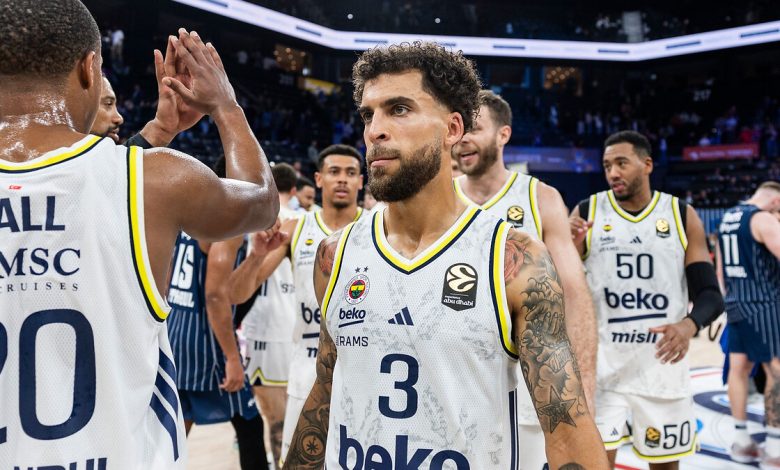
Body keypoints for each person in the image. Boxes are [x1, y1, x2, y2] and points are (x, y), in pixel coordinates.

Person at [284, 41, 607, 469]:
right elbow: (326, 388)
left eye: (399, 109)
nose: (375, 130)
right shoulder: (336, 254)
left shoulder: (513, 259)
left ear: (453, 128)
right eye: (368, 115)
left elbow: (566, 427)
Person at [0, 1, 278, 467]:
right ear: (90, 68)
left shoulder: (145, 177)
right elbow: (262, 200)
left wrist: (159, 130)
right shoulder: (157, 180)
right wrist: (226, 106)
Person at [452, 89, 598, 470]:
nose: (463, 139)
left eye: (475, 128)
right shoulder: (439, 198)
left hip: (527, 384)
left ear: (503, 134)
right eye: (459, 129)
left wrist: (583, 389)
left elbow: (574, 295)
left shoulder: (540, 198)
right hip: (453, 382)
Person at [570, 130, 723, 469]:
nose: (613, 173)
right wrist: (569, 251)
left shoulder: (681, 215)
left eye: (622, 163)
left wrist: (688, 325)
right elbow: (560, 288)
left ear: (647, 164)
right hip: (604, 374)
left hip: (662, 373)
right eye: (607, 165)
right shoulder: (587, 212)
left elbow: (710, 295)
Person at [233, 144, 365, 466]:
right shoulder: (297, 228)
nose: (342, 179)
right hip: (308, 366)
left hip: (361, 367)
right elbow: (238, 293)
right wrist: (256, 256)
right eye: (334, 172)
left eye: (351, 173)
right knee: (297, 462)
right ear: (319, 179)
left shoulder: (378, 227)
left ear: (361, 181)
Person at [167, 156, 279, 469]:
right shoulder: (228, 222)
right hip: (206, 342)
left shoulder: (189, 214)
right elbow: (216, 295)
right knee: (249, 423)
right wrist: (232, 357)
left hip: (177, 334)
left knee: (176, 428)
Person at [239, 162, 300, 468]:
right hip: (289, 327)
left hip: (265, 328)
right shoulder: (302, 220)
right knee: (282, 416)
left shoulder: (258, 217)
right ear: (294, 189)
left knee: (275, 418)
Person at [717, 181, 780, 468]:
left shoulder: (728, 218)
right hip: (765, 303)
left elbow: (720, 271)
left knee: (738, 369)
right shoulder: (762, 218)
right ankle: (775, 447)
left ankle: (741, 442)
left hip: (735, 302)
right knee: (776, 371)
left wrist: (731, 299)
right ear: (775, 202)